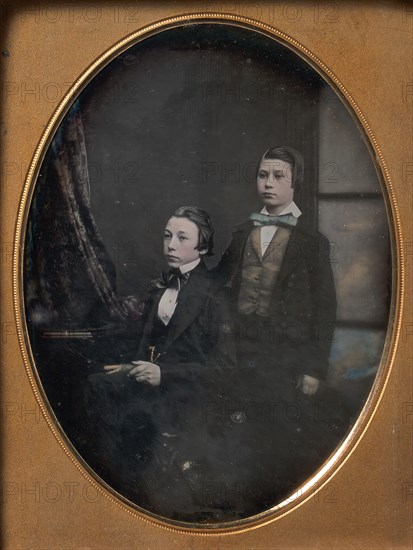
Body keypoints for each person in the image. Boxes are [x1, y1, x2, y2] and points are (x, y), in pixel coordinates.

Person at [83, 206, 236, 520]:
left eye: (182, 238)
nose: (170, 244)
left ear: (202, 247)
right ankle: (121, 492)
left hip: (188, 394)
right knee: (95, 386)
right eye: (168, 236)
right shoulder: (159, 290)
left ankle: (139, 496)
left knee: (134, 416)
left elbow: (225, 369)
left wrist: (164, 374)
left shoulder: (216, 296)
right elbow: (148, 347)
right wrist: (133, 366)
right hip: (154, 385)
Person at [213, 145, 345, 508]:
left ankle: (278, 511)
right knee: (240, 427)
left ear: (294, 184)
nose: (268, 183)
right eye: (262, 175)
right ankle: (241, 510)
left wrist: (314, 367)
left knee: (280, 434)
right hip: (241, 349)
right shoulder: (243, 233)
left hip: (285, 356)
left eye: (278, 176)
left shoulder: (311, 242)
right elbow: (217, 283)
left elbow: (325, 308)